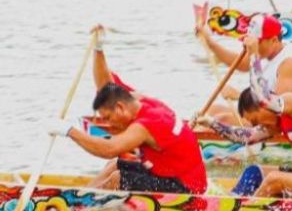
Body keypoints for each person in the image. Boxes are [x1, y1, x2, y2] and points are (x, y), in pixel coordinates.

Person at [67, 35, 209, 195]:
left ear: (120, 107)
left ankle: (83, 208)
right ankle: (80, 196)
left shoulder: (145, 125)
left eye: (108, 118)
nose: (109, 124)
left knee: (119, 178)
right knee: (115, 164)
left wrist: (70, 131)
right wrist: (98, 49)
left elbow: (109, 149)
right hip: (167, 172)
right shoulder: (139, 101)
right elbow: (106, 87)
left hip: (188, 188)